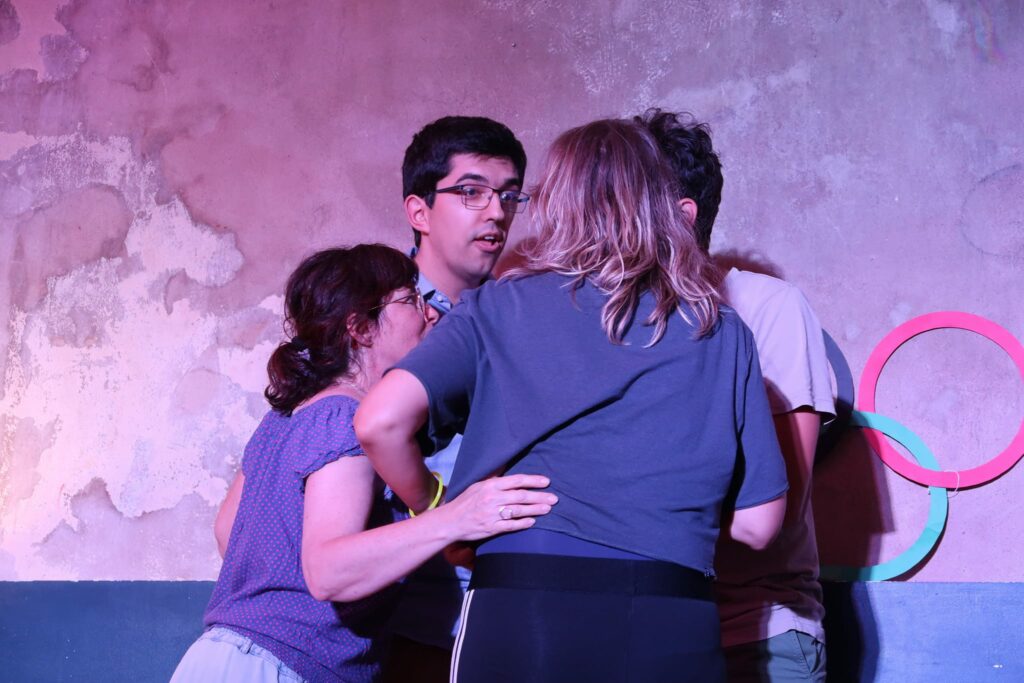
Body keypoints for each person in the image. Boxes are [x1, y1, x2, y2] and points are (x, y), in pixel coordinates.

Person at [355, 119, 789, 683]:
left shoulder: (499, 306)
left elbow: (380, 422)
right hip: (672, 612)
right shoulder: (722, 330)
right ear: (660, 204)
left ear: (557, 203)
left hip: (525, 608)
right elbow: (758, 525)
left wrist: (440, 513)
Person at [170, 245, 555, 683]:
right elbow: (327, 573)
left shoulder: (285, 417)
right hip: (279, 668)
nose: (430, 313)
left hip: (219, 659)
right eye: (410, 300)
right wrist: (456, 518)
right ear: (361, 328)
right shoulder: (344, 418)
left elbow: (228, 532)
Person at [640, 109, 835, 682]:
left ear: (681, 216)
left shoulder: (769, 309)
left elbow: (781, 505)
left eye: (622, 196)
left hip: (758, 635)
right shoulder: (612, 318)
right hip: (647, 633)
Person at [382, 116, 528, 681]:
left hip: (501, 613)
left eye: (508, 195)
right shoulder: (367, 317)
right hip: (398, 623)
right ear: (418, 211)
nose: (496, 212)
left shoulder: (519, 317)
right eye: (471, 192)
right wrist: (441, 519)